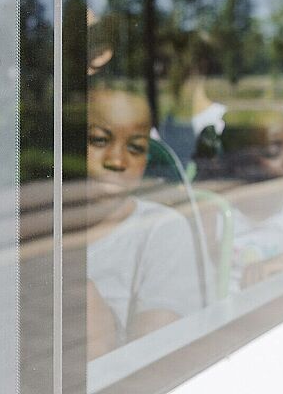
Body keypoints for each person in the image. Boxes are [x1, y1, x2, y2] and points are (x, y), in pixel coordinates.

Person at [83, 84, 202, 360]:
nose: (117, 160)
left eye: (135, 148)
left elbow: (154, 359)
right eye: (99, 140)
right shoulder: (37, 227)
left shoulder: (161, 229)